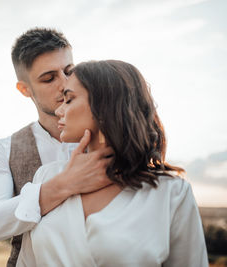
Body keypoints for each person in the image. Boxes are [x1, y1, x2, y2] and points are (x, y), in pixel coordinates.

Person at [17, 60, 208, 266]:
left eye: (69, 99)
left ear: (105, 106)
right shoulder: (46, 177)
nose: (59, 111)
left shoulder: (171, 193)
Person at [0, 28, 114, 266]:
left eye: (69, 71)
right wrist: (64, 185)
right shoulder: (5, 149)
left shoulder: (109, 137)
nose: (64, 84)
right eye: (49, 78)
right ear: (25, 89)